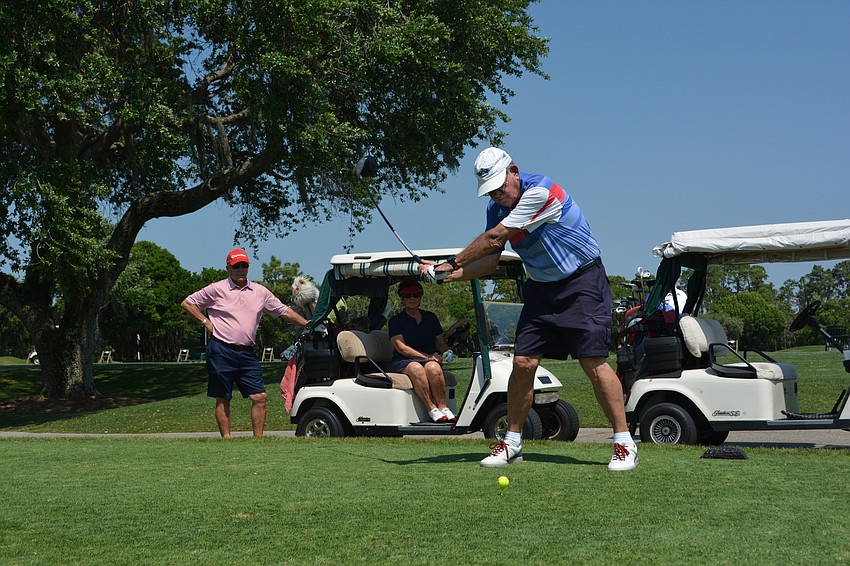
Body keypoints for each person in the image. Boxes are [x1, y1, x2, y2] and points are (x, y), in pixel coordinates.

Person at [422, 147, 638, 471]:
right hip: (541, 289)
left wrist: (451, 261)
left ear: (515, 171)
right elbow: (491, 260)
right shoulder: (496, 208)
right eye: (490, 191)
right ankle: (512, 443)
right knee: (522, 362)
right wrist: (448, 275)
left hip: (583, 282)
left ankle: (623, 442)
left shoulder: (541, 191)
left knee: (592, 362)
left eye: (500, 186)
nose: (497, 194)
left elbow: (496, 239)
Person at [181, 249, 310, 438]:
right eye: (236, 266)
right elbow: (188, 303)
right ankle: (227, 440)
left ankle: (258, 440)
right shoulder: (216, 289)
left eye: (244, 265)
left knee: (260, 397)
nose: (241, 269)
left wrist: (308, 324)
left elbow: (283, 311)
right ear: (228, 268)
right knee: (223, 396)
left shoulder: (259, 292)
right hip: (221, 349)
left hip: (247, 353)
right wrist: (206, 322)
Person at [387, 280, 456, 423]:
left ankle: (443, 408)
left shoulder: (431, 318)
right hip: (403, 360)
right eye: (407, 296)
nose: (412, 298)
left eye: (416, 295)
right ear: (402, 299)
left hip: (429, 359)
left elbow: (440, 342)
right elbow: (402, 348)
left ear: (420, 297)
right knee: (417, 368)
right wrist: (427, 357)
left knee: (434, 368)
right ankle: (431, 408)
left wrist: (448, 351)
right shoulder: (396, 321)